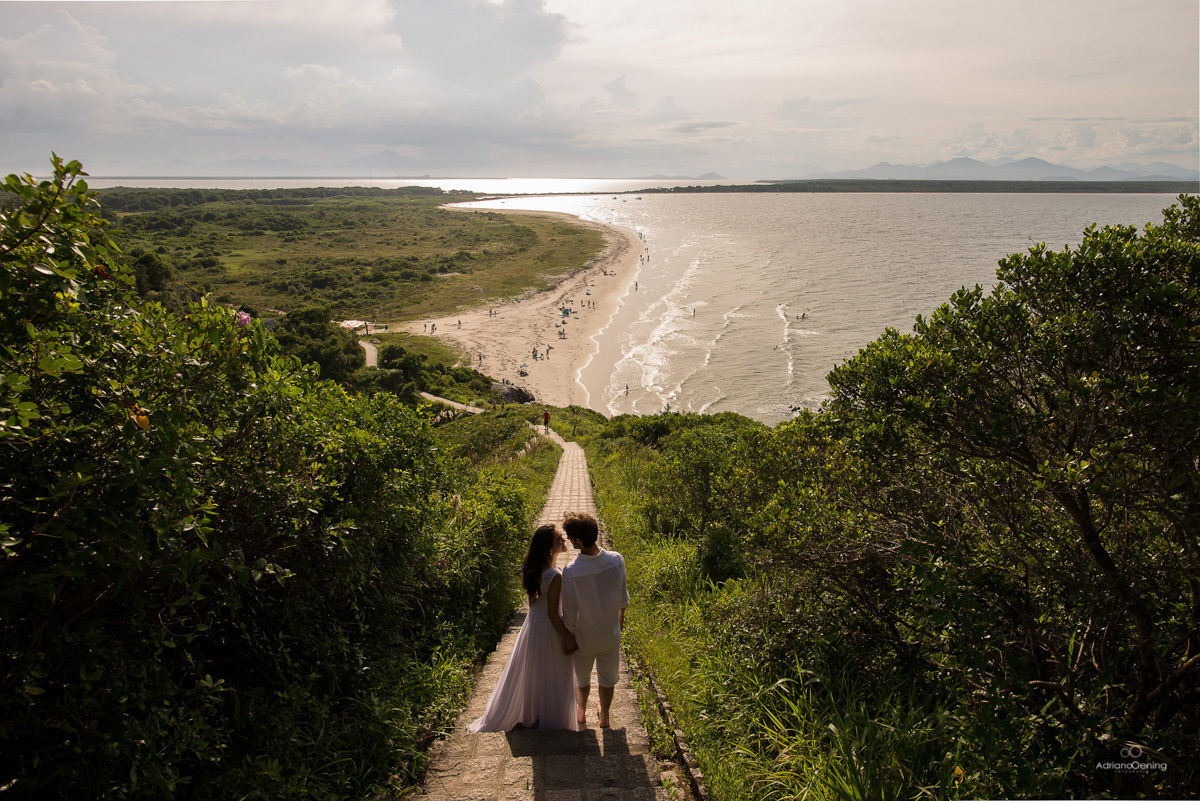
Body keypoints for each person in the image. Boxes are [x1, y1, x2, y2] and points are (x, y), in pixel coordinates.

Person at [467, 525, 579, 732]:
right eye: (559, 540)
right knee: (550, 671)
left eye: (563, 538)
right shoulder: (555, 576)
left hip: (535, 622)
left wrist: (534, 622)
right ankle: (549, 717)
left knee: (538, 670)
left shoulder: (538, 568)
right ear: (548, 548)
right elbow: (553, 614)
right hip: (548, 626)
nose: (564, 542)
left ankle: (536, 713)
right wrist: (568, 639)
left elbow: (533, 601)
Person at [560, 512, 629, 728]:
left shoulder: (571, 571)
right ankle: (605, 716)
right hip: (609, 633)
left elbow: (570, 613)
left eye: (570, 538)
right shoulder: (616, 560)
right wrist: (619, 619)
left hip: (584, 637)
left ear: (579, 541)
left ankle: (581, 712)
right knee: (608, 677)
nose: (570, 541)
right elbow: (622, 597)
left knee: (582, 678)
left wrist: (570, 635)